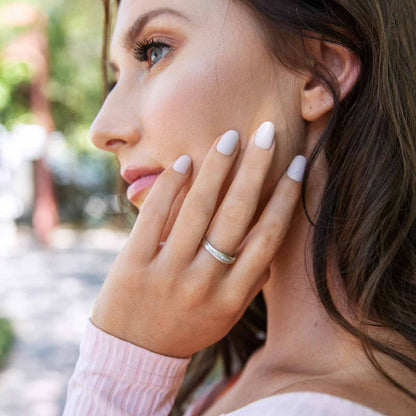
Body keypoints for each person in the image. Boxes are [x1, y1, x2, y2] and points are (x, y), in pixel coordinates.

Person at [62, 1, 416, 415]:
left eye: (154, 51)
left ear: (320, 75)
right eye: (115, 78)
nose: (102, 129)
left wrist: (121, 374)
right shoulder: (242, 370)